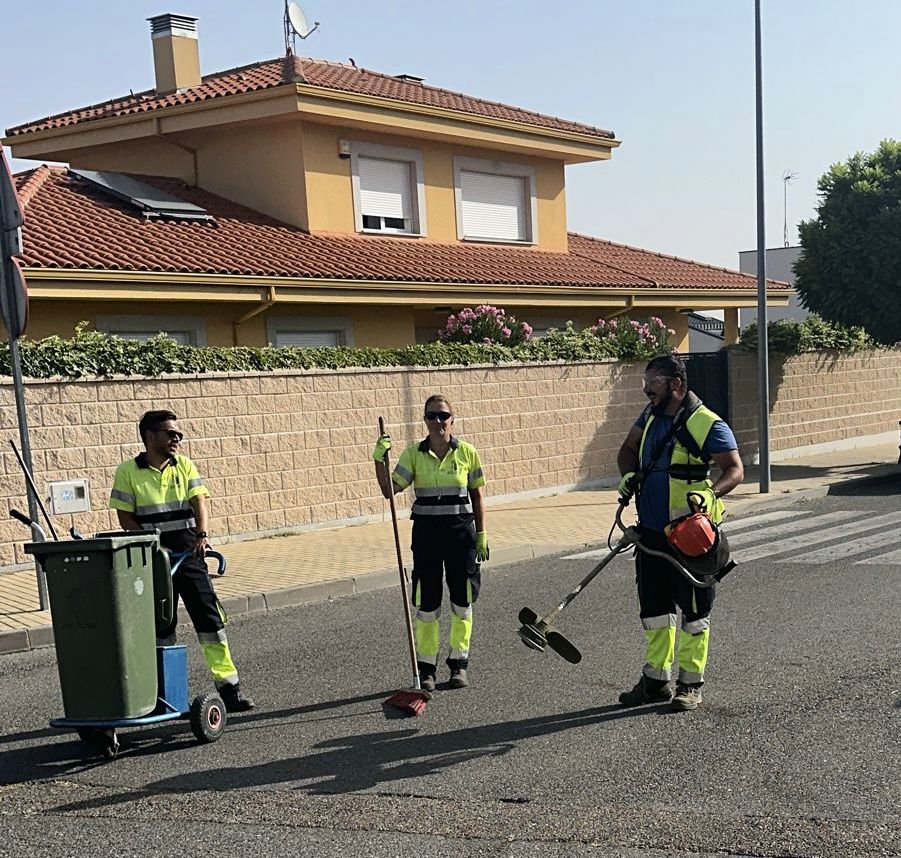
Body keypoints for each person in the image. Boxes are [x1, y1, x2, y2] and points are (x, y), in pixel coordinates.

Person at [616, 355, 743, 711]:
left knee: (694, 613)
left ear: (675, 384)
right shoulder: (649, 416)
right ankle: (656, 682)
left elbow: (734, 469)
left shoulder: (706, 422)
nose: (647, 391)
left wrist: (711, 493)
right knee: (655, 612)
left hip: (690, 537)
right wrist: (628, 475)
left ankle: (690, 684)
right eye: (645, 384)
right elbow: (627, 450)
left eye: (653, 384)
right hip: (651, 535)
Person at [109, 409, 254, 713]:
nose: (177, 439)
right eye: (170, 434)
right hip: (152, 559)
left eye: (179, 434)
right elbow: (125, 517)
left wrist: (202, 535)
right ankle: (162, 696)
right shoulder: (127, 471)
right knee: (161, 626)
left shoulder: (185, 465)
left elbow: (199, 501)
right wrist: (151, 544)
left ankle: (230, 689)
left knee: (210, 620)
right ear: (150, 436)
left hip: (189, 553)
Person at [373, 395, 488, 692]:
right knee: (427, 603)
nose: (438, 421)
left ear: (452, 419)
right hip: (427, 536)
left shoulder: (467, 453)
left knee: (462, 602)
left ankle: (459, 664)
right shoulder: (413, 454)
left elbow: (477, 495)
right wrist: (378, 460)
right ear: (424, 420)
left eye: (443, 415)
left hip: (461, 535)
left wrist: (481, 534)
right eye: (432, 416)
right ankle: (427, 670)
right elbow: (389, 490)